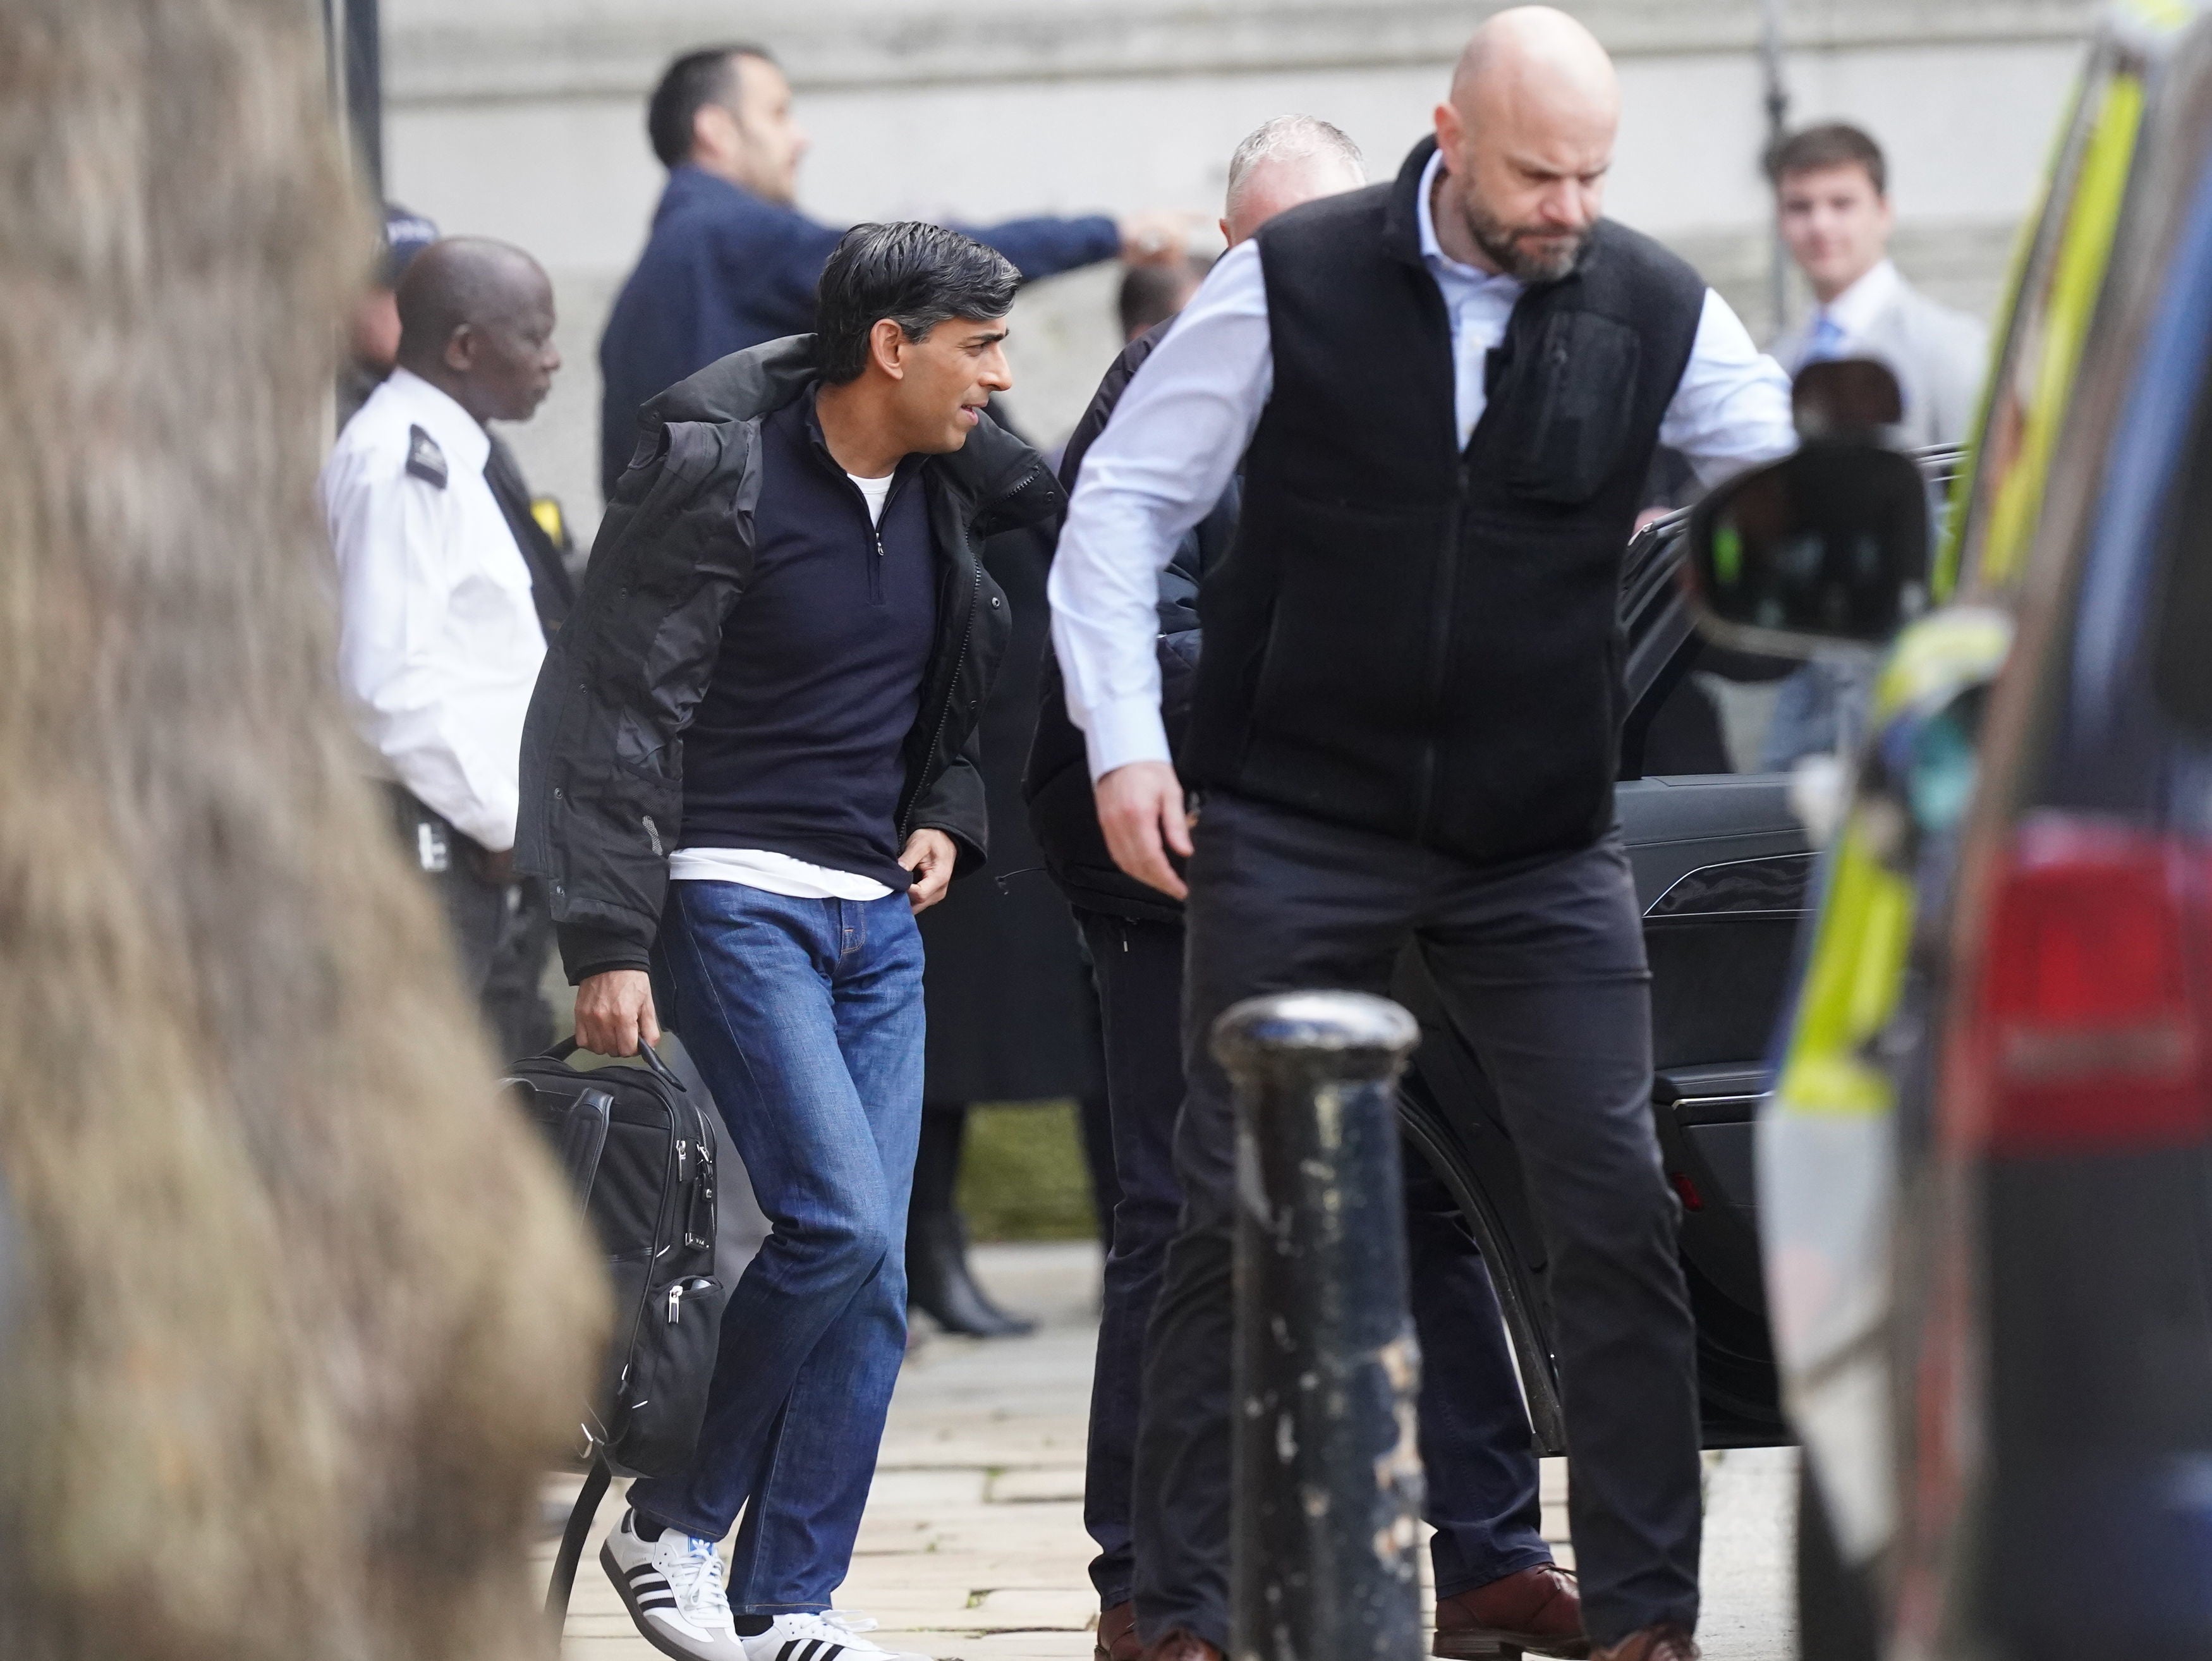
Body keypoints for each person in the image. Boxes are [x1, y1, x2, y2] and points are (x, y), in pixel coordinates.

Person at [1048, 11, 1800, 1661]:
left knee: (1608, 1201)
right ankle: (1167, 1611)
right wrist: (1122, 747)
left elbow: (1789, 498)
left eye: (1595, 173)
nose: (1569, 209)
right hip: (1296, 820)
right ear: (1448, 139)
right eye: (1538, 173)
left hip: (1533, 843)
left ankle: (1642, 1618)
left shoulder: (1652, 303)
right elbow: (1117, 509)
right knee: (1221, 1208)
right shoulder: (1294, 279)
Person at [1030, 113, 1586, 1661]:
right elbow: (1125, 619)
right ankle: (1147, 1586)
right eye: (1286, 250)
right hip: (1174, 869)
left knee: (1432, 1198)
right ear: (1230, 256)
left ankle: (1486, 1553)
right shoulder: (1163, 394)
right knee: (1174, 1217)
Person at [520, 222, 1063, 1661]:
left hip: (877, 915)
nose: (1000, 380)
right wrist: (606, 933)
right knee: (830, 1220)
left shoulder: (937, 486)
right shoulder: (722, 476)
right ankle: (677, 1522)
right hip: (733, 895)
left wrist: (946, 804)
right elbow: (610, 709)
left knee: (872, 1268)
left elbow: (959, 655)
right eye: (980, 347)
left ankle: (787, 1599)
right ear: (892, 346)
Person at [599, 42, 1192, 496]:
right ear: (716, 131)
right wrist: (1114, 234)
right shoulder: (725, 233)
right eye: (779, 114)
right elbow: (924, 267)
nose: (800, 139)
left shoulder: (650, 287)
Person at [320, 237, 569, 1037]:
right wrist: (499, 821)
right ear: (464, 347)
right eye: (534, 336)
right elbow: (384, 688)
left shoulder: (453, 457)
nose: (553, 359)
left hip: (471, 838)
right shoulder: (401, 467)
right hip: (437, 840)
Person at [1759, 121, 1990, 770]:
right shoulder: (1776, 362)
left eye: (1840, 203)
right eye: (1799, 207)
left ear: (1882, 213)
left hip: (1914, 696)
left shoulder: (1948, 350)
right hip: (1808, 697)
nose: (1819, 226)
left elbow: (1980, 521)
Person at [337, 204, 439, 429]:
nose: (424, 305)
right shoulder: (326, 418)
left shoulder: (455, 403)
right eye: (402, 288)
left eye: (435, 289)